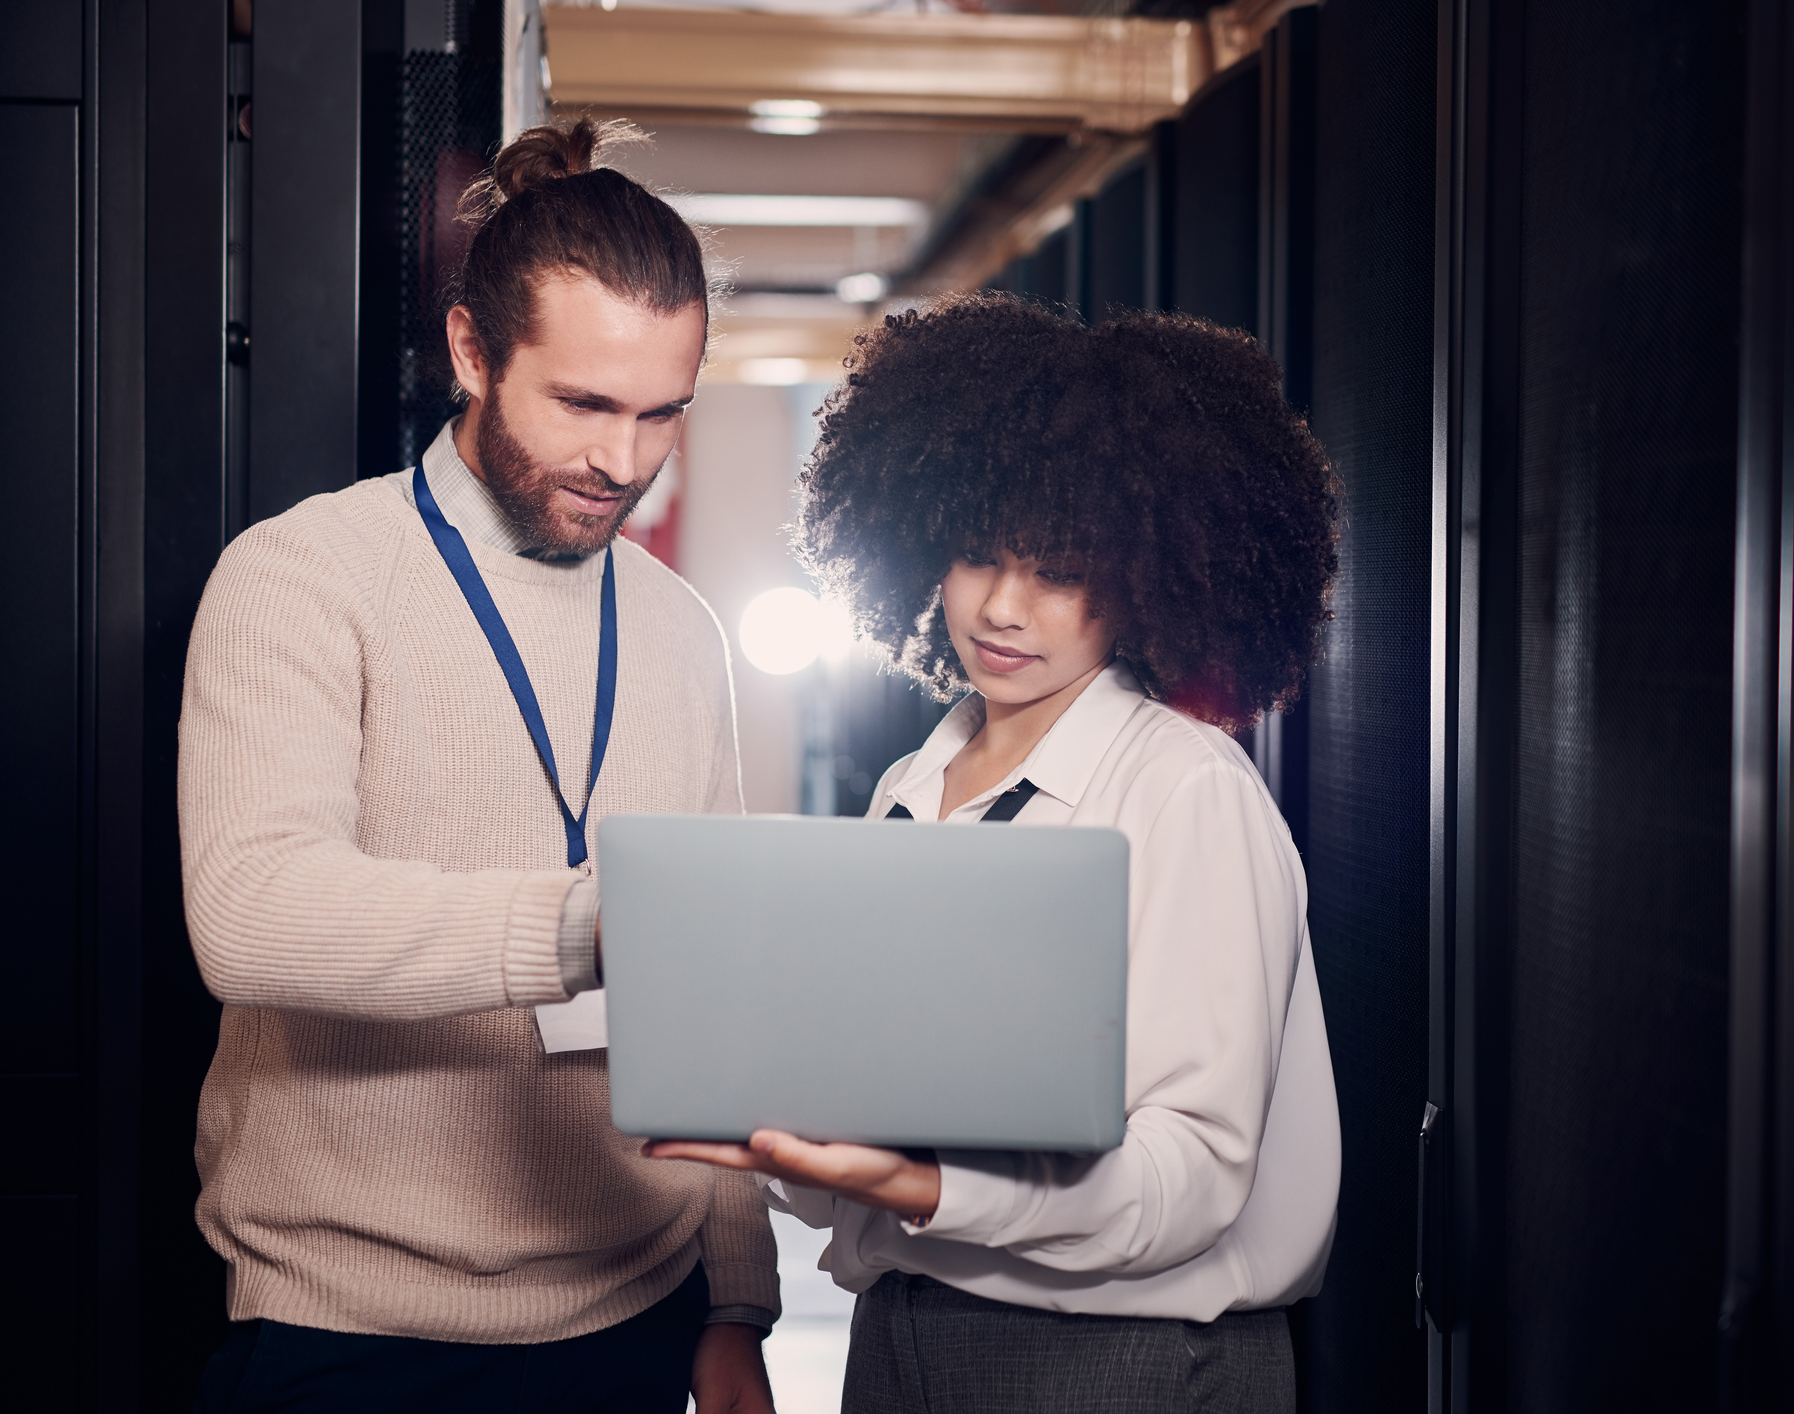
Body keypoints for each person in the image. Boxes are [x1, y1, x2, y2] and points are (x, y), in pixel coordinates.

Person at [650, 294, 1342, 1413]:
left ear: (1147, 574)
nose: (1004, 608)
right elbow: (875, 1125)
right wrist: (789, 1127)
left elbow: (1193, 1179)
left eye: (1060, 568)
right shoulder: (911, 788)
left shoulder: (1185, 789)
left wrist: (923, 1184)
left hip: (1122, 1364)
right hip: (903, 1340)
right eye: (978, 552)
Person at [178, 119, 777, 1413]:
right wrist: (582, 923)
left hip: (639, 1316)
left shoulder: (681, 631)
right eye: (584, 403)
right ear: (469, 349)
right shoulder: (301, 578)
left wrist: (737, 1301)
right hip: (351, 1333)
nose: (623, 461)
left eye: (662, 412)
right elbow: (248, 912)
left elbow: (721, 994)